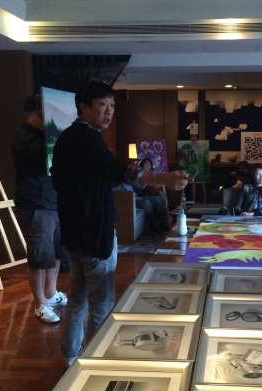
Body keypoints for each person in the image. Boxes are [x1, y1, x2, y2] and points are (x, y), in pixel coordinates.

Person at [50, 79, 189, 366]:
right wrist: (163, 178)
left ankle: (70, 358)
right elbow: (117, 171)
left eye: (112, 105)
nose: (109, 111)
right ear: (83, 107)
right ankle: (95, 364)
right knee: (101, 304)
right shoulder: (88, 138)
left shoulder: (65, 138)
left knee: (77, 298)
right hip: (94, 234)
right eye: (102, 105)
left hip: (73, 234)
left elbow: (75, 179)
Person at [12, 94, 68, 323]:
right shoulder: (23, 139)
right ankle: (40, 304)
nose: (47, 120)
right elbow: (42, 154)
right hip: (35, 204)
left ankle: (51, 294)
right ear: (28, 115)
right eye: (42, 115)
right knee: (39, 256)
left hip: (55, 201)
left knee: (57, 253)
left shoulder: (46, 137)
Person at [134, 158, 170, 232]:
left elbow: (142, 186)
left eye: (149, 164)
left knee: (158, 199)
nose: (148, 166)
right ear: (142, 164)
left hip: (141, 195)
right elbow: (137, 187)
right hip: (138, 196)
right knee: (147, 202)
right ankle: (154, 226)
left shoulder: (148, 174)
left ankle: (163, 223)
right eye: (146, 164)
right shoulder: (137, 173)